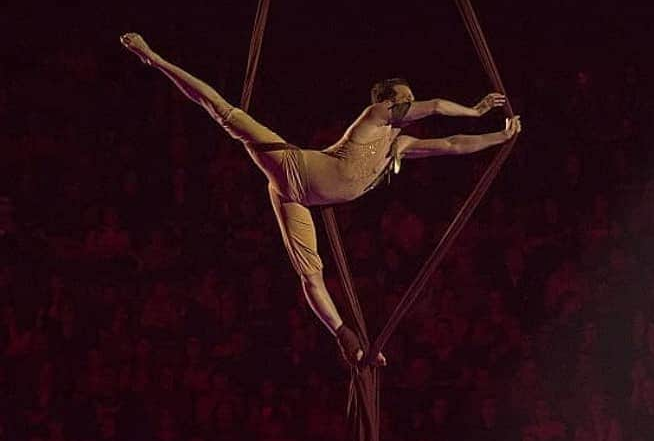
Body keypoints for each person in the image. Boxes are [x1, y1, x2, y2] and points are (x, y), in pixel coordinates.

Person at [119, 33, 520, 365]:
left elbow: (452, 144)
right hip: (291, 165)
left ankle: (344, 335)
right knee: (225, 112)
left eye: (406, 101)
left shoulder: (401, 144)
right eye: (401, 99)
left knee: (311, 274)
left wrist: (499, 136)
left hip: (294, 198)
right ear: (386, 101)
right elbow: (433, 107)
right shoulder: (374, 117)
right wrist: (473, 109)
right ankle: (152, 57)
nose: (406, 106)